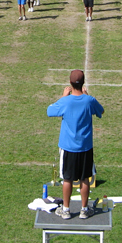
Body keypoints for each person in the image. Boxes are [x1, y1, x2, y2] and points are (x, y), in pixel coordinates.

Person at [47, 70, 104, 220]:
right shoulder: (89, 100)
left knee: (67, 179)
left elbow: (50, 111)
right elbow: (100, 111)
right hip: (85, 147)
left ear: (70, 84)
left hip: (68, 147)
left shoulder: (65, 102)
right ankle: (84, 210)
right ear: (83, 83)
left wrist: (63, 97)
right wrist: (87, 96)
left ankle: (66, 210)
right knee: (85, 178)